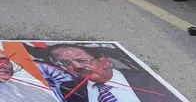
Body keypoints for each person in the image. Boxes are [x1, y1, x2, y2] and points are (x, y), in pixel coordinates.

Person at [50, 44, 181, 102]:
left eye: (83, 60)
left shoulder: (148, 80)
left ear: (105, 61)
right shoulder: (69, 88)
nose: (77, 66)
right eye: (66, 64)